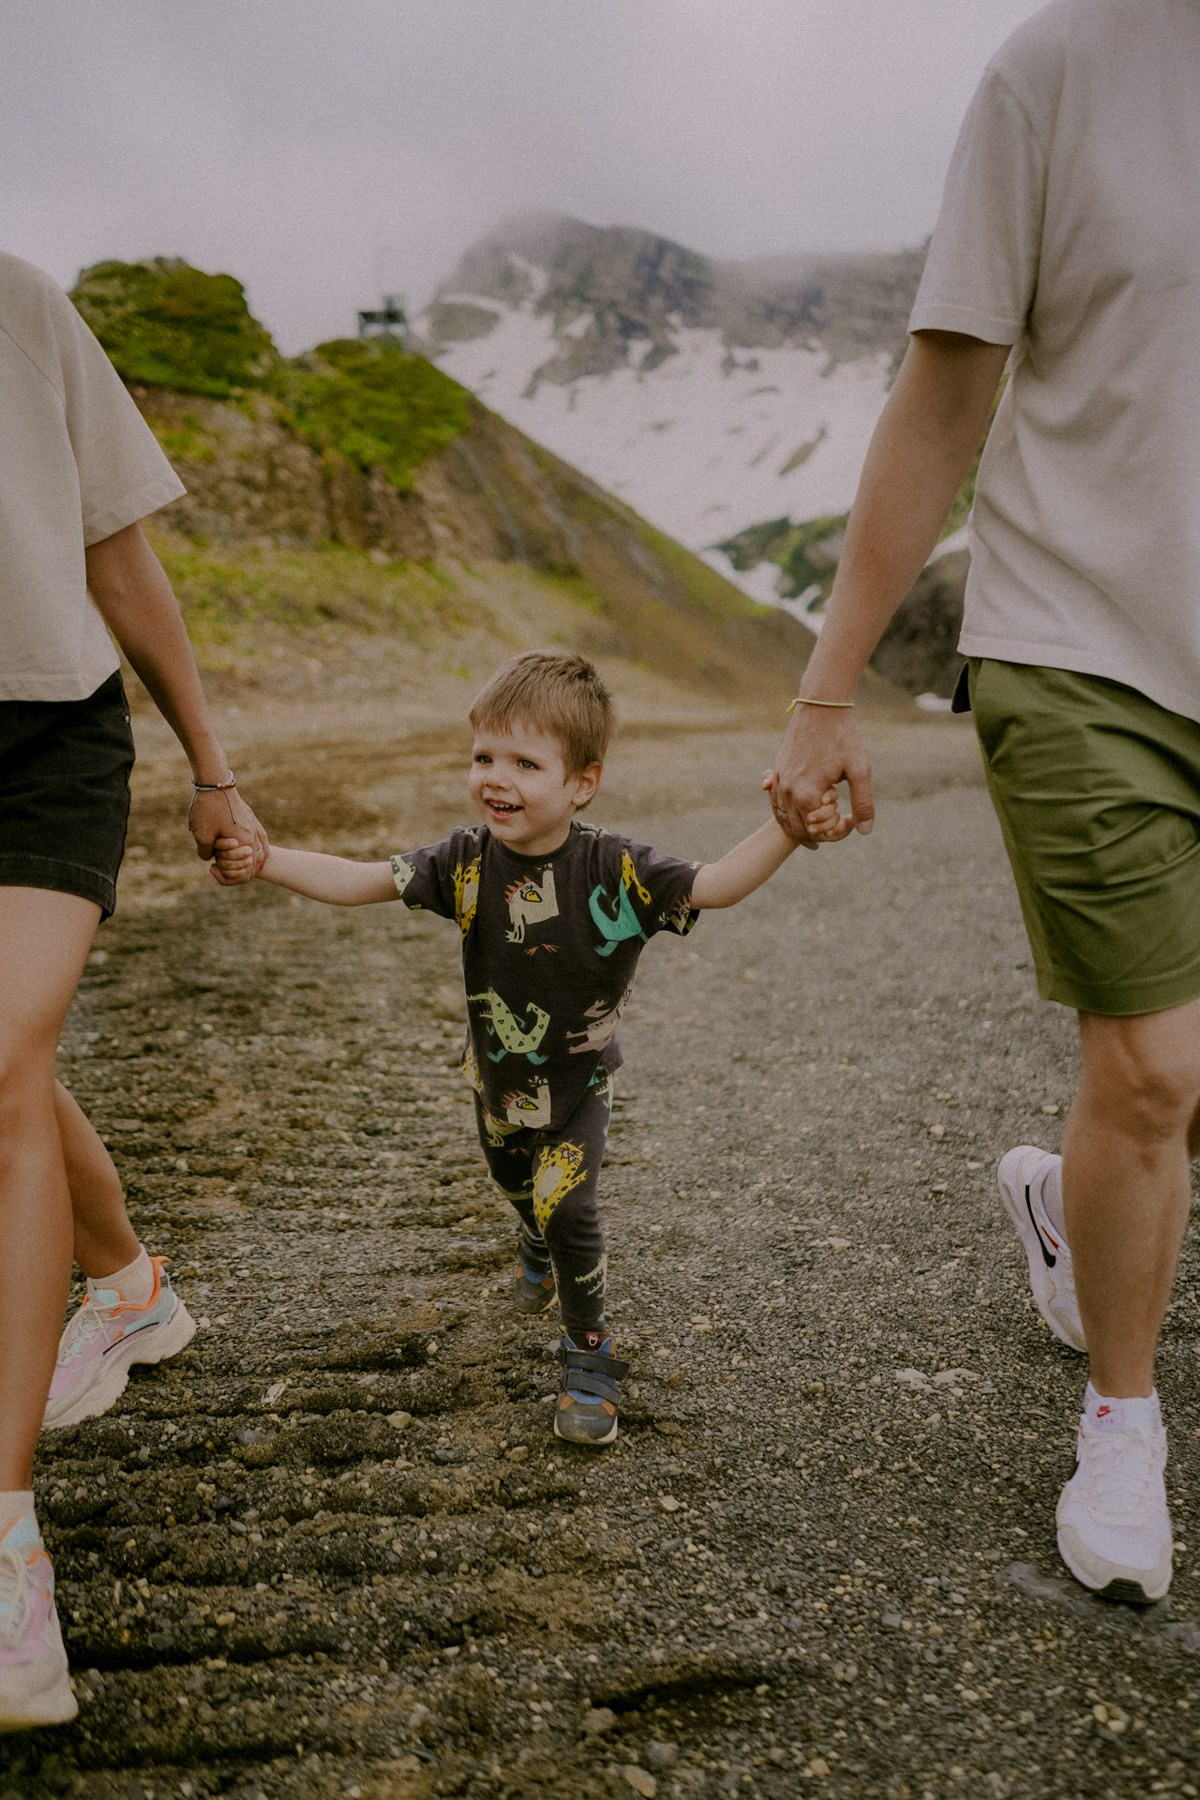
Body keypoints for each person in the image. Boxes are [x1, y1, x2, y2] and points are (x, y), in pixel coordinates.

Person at [768, 0, 1200, 1605]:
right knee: (1151, 1070)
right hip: (1084, 647)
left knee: (1180, 1093)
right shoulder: (1059, 69)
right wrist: (828, 691)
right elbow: (944, 400)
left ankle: (1069, 1220)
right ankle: (1123, 1418)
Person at [215, 650, 830, 1446]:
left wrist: (784, 830)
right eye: (484, 757)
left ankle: (588, 1353)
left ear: (583, 783)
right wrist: (268, 861)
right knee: (517, 1186)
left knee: (568, 1205)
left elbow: (715, 884)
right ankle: (530, 1238)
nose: (496, 779)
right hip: (497, 1080)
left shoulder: (618, 869)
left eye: (525, 764)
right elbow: (360, 879)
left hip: (578, 1083)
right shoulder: (464, 861)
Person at [0, 250, 264, 1731]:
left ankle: (4, 1552)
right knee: (7, 1060)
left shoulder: (20, 304)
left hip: (42, 738)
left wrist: (213, 771)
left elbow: (117, 558)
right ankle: (128, 1286)